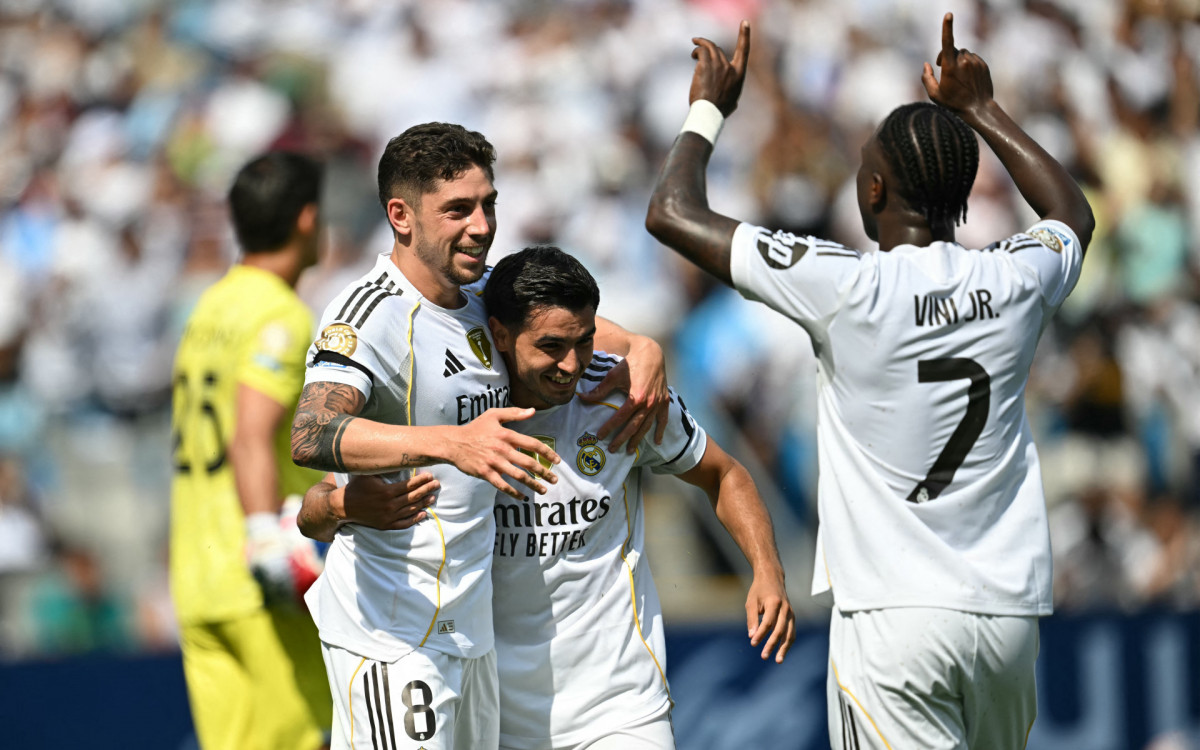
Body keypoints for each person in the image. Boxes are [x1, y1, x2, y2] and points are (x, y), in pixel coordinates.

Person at [645, 14, 1095, 750]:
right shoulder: (1016, 278)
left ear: (876, 188)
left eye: (861, 165)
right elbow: (1071, 214)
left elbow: (671, 212)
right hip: (1007, 615)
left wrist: (708, 110)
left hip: (893, 616)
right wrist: (982, 109)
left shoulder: (847, 287)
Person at [300, 245, 796, 749]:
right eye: (551, 346)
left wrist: (767, 571)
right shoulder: (448, 417)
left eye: (584, 342)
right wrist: (341, 508)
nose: (571, 364)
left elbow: (724, 474)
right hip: (494, 714)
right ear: (499, 334)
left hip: (620, 709)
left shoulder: (621, 400)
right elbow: (314, 508)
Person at [289, 123, 671, 750]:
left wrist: (641, 346)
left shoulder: (478, 291)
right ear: (401, 216)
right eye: (458, 209)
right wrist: (452, 443)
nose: (482, 225)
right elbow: (310, 433)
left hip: (471, 639)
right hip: (393, 635)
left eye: (488, 204)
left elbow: (568, 328)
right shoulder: (369, 314)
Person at [169, 152, 332, 750]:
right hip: (262, 577)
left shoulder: (209, 306)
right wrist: (265, 537)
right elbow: (250, 432)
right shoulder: (280, 314)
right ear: (308, 219)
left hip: (198, 575)